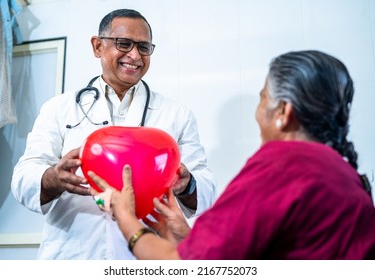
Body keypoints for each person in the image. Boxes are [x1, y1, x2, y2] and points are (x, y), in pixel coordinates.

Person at [89, 50, 375, 260]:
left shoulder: (281, 167)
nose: (257, 113)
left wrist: (125, 216)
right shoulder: (345, 175)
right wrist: (186, 238)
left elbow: (182, 271)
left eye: (263, 98)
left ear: (284, 113)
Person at [11, 9, 217, 260]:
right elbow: (22, 177)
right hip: (73, 257)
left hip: (143, 256)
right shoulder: (59, 108)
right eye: (123, 43)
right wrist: (53, 178)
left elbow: (205, 186)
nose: (134, 55)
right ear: (97, 46)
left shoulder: (177, 115)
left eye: (143, 47)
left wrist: (189, 184)